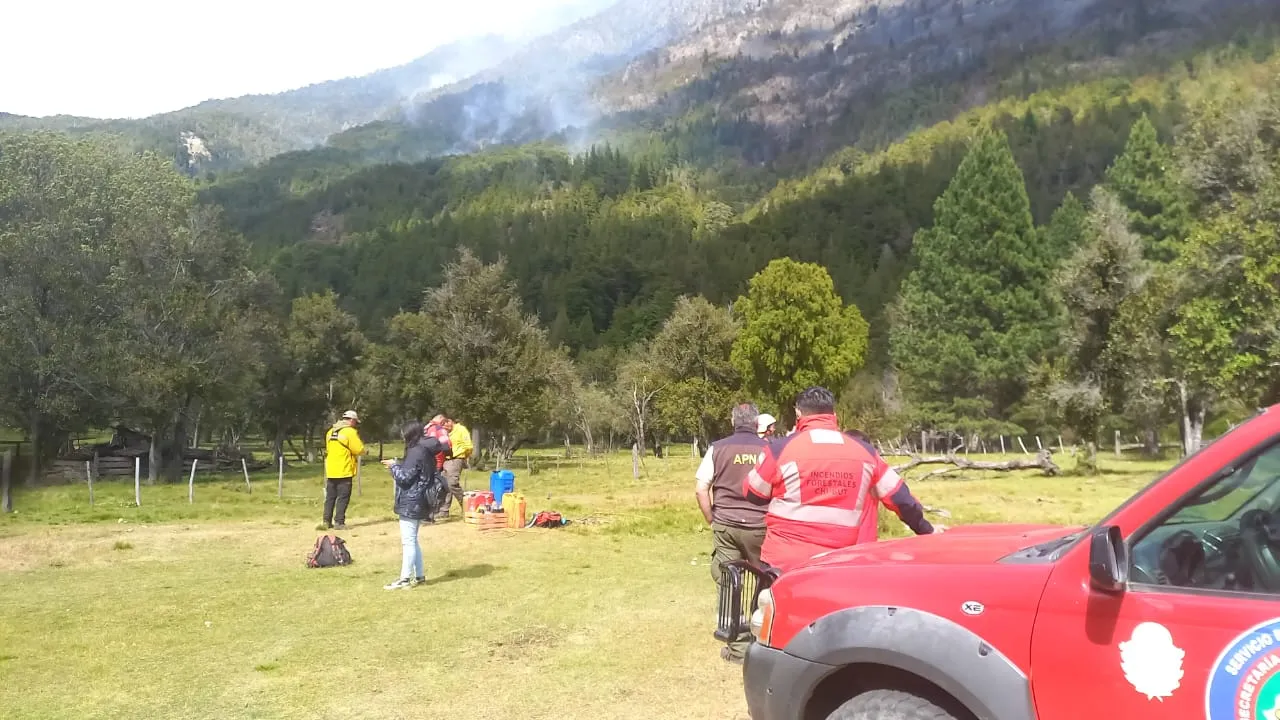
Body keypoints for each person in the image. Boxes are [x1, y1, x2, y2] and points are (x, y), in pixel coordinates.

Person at [744, 387, 945, 573]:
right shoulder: (866, 452)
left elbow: (753, 494)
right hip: (839, 563)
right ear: (834, 415)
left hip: (785, 563)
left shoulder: (780, 450)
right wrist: (925, 529)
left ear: (798, 414)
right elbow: (901, 499)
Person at [696, 402, 770, 665]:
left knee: (730, 581)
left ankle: (737, 649)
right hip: (761, 526)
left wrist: (711, 518)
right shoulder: (769, 449)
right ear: (756, 422)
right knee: (765, 582)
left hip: (726, 524)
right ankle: (765, 642)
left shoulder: (718, 448)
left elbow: (701, 488)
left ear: (732, 421)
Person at [381, 421, 449, 589]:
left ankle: (405, 578)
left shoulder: (415, 451)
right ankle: (419, 575)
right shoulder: (426, 450)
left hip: (412, 500)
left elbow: (405, 478)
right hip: (422, 499)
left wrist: (394, 466)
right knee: (413, 540)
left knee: (408, 541)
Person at [323, 410, 365, 530]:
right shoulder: (350, 432)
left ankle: (326, 521)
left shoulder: (330, 431)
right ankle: (339, 522)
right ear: (352, 420)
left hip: (331, 470)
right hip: (344, 469)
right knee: (343, 497)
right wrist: (364, 452)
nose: (356, 424)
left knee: (330, 497)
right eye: (356, 422)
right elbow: (358, 449)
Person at [440, 416, 473, 519]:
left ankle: (466, 506)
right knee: (444, 485)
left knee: (452, 484)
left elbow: (468, 446)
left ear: (450, 421)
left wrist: (464, 457)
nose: (444, 428)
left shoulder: (461, 430)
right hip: (446, 460)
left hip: (456, 459)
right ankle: (443, 510)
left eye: (445, 425)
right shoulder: (446, 432)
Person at [422, 414, 453, 522]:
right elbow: (446, 446)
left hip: (423, 461)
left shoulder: (425, 429)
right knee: (437, 487)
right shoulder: (439, 429)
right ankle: (430, 515)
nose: (444, 425)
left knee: (424, 487)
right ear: (440, 420)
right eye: (444, 422)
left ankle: (423, 514)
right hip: (436, 462)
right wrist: (450, 454)